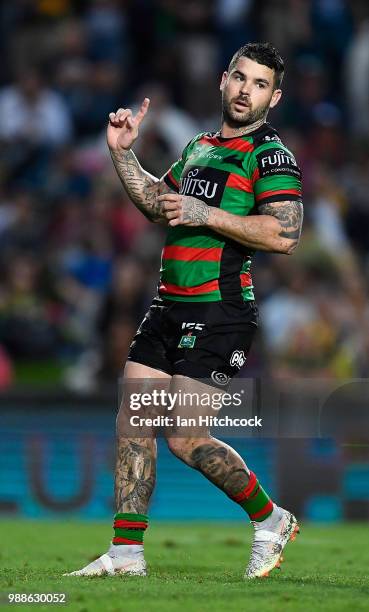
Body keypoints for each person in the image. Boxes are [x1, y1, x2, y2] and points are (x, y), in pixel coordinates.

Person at [66, 42, 303, 580]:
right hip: (168, 305)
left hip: (221, 311)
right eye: (240, 78)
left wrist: (207, 213)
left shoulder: (269, 155)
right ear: (223, 79)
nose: (246, 91)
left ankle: (271, 519)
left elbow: (285, 233)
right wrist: (123, 152)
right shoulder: (200, 145)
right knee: (133, 423)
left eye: (259, 84)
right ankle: (126, 554)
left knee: (186, 439)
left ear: (275, 96)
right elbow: (157, 204)